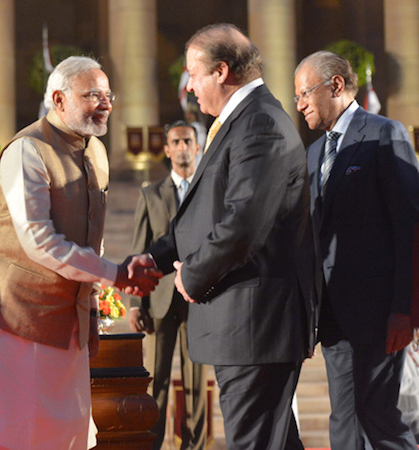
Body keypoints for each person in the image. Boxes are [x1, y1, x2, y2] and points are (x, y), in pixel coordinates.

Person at [0, 56, 161, 449]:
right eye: (92, 95)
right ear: (58, 99)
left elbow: (91, 236)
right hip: (11, 316)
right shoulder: (27, 149)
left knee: (65, 434)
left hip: (66, 318)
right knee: (10, 435)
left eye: (108, 95)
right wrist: (115, 274)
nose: (105, 103)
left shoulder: (96, 151)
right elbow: (38, 239)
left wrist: (91, 308)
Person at [127, 24, 316, 449]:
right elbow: (201, 217)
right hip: (245, 325)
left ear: (221, 71)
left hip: (255, 325)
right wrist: (154, 260)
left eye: (193, 74)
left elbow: (244, 223)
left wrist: (191, 275)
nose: (189, 86)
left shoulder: (261, 124)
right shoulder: (235, 123)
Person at [294, 50, 419, 450]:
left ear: (335, 85)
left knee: (377, 418)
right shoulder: (313, 153)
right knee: (344, 422)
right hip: (333, 318)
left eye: (304, 94)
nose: (299, 105)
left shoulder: (385, 134)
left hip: (380, 316)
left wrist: (404, 310)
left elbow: (410, 227)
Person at [128, 120, 207, 449]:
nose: (182, 147)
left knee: (196, 385)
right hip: (159, 301)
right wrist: (135, 304)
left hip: (199, 300)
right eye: (176, 142)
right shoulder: (151, 194)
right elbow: (139, 249)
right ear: (167, 149)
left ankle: (195, 447)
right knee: (156, 382)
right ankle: (153, 445)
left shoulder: (208, 191)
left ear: (198, 147)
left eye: (188, 141)